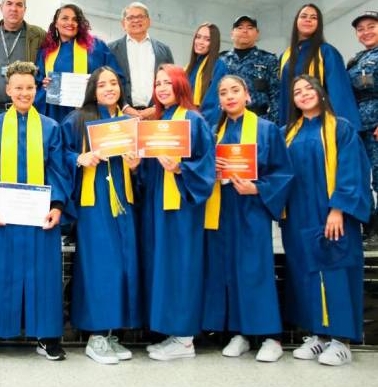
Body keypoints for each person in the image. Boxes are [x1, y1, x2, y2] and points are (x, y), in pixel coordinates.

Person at [0, 61, 70, 362]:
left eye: (29, 87)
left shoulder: (51, 128)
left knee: (43, 272)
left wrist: (57, 207)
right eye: (18, 88)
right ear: (8, 90)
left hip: (39, 215)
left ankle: (46, 335)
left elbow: (58, 170)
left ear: (36, 89)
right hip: (3, 214)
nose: (24, 93)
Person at [201, 75, 293, 362]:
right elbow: (201, 169)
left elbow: (283, 172)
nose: (229, 96)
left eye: (235, 91)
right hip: (222, 206)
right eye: (223, 92)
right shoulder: (213, 131)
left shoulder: (267, 130)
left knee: (255, 269)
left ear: (247, 95)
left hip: (252, 205)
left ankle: (270, 337)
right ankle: (239, 333)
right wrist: (211, 171)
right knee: (227, 270)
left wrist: (258, 187)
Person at [281, 75, 370, 366]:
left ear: (321, 93)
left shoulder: (340, 128)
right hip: (298, 215)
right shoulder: (288, 133)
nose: (304, 94)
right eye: (297, 91)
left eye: (309, 89)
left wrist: (339, 209)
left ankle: (341, 340)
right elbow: (278, 172)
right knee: (305, 274)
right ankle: (318, 336)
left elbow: (352, 171)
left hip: (331, 215)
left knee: (335, 273)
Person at [61, 67, 141, 364]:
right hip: (93, 205)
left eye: (114, 83)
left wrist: (135, 167)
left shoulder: (128, 123)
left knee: (122, 266)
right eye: (103, 84)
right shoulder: (79, 118)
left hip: (122, 202)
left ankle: (110, 334)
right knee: (100, 268)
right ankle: (96, 336)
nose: (109, 88)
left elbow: (141, 168)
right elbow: (59, 154)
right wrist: (80, 158)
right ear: (93, 88)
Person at [138, 65, 216, 361]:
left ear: (181, 85)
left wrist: (181, 167)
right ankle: (172, 332)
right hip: (158, 204)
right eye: (157, 83)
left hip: (183, 205)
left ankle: (185, 339)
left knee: (182, 265)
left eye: (168, 83)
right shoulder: (159, 120)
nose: (161, 88)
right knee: (164, 266)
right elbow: (148, 169)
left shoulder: (193, 120)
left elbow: (206, 163)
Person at [278, 3, 361, 130]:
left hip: (321, 123)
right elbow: (284, 95)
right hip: (294, 124)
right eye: (304, 16)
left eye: (314, 17)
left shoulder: (327, 52)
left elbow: (339, 92)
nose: (308, 20)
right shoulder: (286, 56)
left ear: (319, 24)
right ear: (296, 21)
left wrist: (343, 129)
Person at [34, 4, 122, 123]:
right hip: (56, 112)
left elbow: (115, 76)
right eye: (65, 18)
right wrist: (44, 84)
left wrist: (97, 83)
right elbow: (37, 81)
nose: (70, 22)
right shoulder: (47, 50)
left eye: (75, 19)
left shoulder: (96, 46)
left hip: (90, 112)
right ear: (56, 23)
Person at [107, 2, 174, 119]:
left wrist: (156, 108)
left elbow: (172, 83)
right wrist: (124, 107)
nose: (136, 20)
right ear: (123, 23)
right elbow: (105, 82)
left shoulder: (164, 50)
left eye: (140, 17)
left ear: (149, 21)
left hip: (156, 114)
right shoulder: (110, 50)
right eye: (131, 18)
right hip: (121, 114)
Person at [346, 11, 378, 246]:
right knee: (360, 178)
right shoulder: (355, 61)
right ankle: (369, 227)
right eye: (361, 29)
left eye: (371, 26)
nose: (366, 32)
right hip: (359, 128)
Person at [220, 15, 280, 124]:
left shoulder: (268, 60)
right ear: (232, 34)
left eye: (250, 28)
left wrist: (271, 123)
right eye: (240, 27)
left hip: (258, 122)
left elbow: (277, 95)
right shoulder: (221, 60)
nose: (245, 31)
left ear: (257, 34)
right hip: (227, 122)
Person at [184, 23, 228, 127]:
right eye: (198, 37)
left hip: (203, 123)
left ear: (213, 43)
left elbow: (213, 103)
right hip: (185, 121)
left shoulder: (218, 66)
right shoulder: (189, 67)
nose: (200, 42)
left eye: (207, 39)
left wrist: (199, 125)